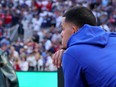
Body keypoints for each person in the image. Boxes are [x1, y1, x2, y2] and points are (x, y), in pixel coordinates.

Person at [52, 6, 116, 87]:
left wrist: (68, 53)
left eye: (63, 28)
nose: (61, 34)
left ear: (74, 30)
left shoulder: (72, 53)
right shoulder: (113, 37)